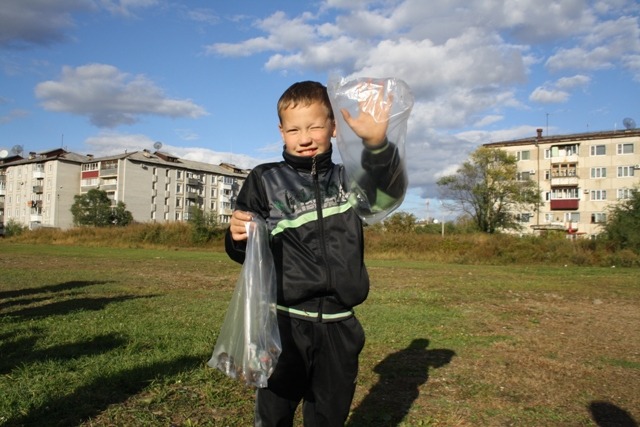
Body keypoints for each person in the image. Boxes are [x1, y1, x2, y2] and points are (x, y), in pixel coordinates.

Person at [225, 80, 406, 427]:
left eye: (315, 126)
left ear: (334, 127)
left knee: (328, 417)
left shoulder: (348, 180)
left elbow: (387, 194)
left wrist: (376, 143)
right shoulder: (265, 179)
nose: (304, 137)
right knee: (274, 414)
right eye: (293, 129)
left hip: (341, 326)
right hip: (284, 323)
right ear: (281, 131)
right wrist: (236, 237)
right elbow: (243, 252)